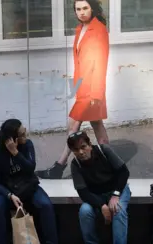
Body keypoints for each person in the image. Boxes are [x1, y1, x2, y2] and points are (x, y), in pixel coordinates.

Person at [36, 0, 110, 179]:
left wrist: (96, 93)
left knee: (73, 126)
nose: (82, 12)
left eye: (85, 8)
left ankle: (59, 166)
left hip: (91, 90)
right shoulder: (80, 29)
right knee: (98, 125)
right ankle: (109, 164)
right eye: (78, 9)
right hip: (82, 87)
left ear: (92, 8)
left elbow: (101, 63)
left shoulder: (98, 30)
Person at [0, 119, 59, 244]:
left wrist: (15, 153)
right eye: (21, 134)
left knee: (45, 204)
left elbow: (30, 168)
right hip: (9, 192)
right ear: (11, 139)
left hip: (29, 188)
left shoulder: (27, 145)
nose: (25, 135)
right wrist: (9, 195)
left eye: (24, 131)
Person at [68, 131, 130, 244]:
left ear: (90, 144)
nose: (81, 152)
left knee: (118, 210)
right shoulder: (75, 164)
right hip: (96, 195)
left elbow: (124, 172)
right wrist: (102, 205)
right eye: (76, 150)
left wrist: (115, 195)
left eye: (83, 147)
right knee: (84, 211)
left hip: (117, 190)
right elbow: (83, 192)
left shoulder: (103, 151)